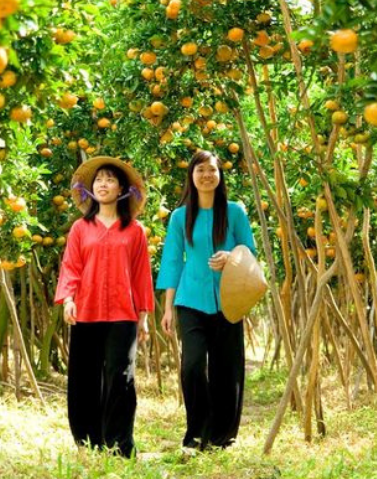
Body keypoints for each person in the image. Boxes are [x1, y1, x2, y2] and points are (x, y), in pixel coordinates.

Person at [156, 149, 257, 450]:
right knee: (193, 364)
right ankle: (197, 432)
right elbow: (173, 260)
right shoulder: (179, 216)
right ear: (191, 176)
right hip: (191, 299)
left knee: (227, 369)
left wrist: (231, 256)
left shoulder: (235, 211)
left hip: (230, 298)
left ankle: (222, 436)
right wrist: (168, 307)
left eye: (212, 170)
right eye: (200, 170)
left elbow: (249, 249)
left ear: (220, 175)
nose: (206, 175)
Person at [54, 156, 154, 458]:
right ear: (91, 189)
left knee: (121, 377)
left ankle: (120, 444)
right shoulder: (80, 229)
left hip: (123, 314)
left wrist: (144, 317)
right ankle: (89, 440)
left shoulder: (134, 230)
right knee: (84, 376)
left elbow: (141, 274)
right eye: (98, 180)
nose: (103, 184)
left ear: (121, 188)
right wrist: (68, 299)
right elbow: (71, 266)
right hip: (87, 311)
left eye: (110, 179)